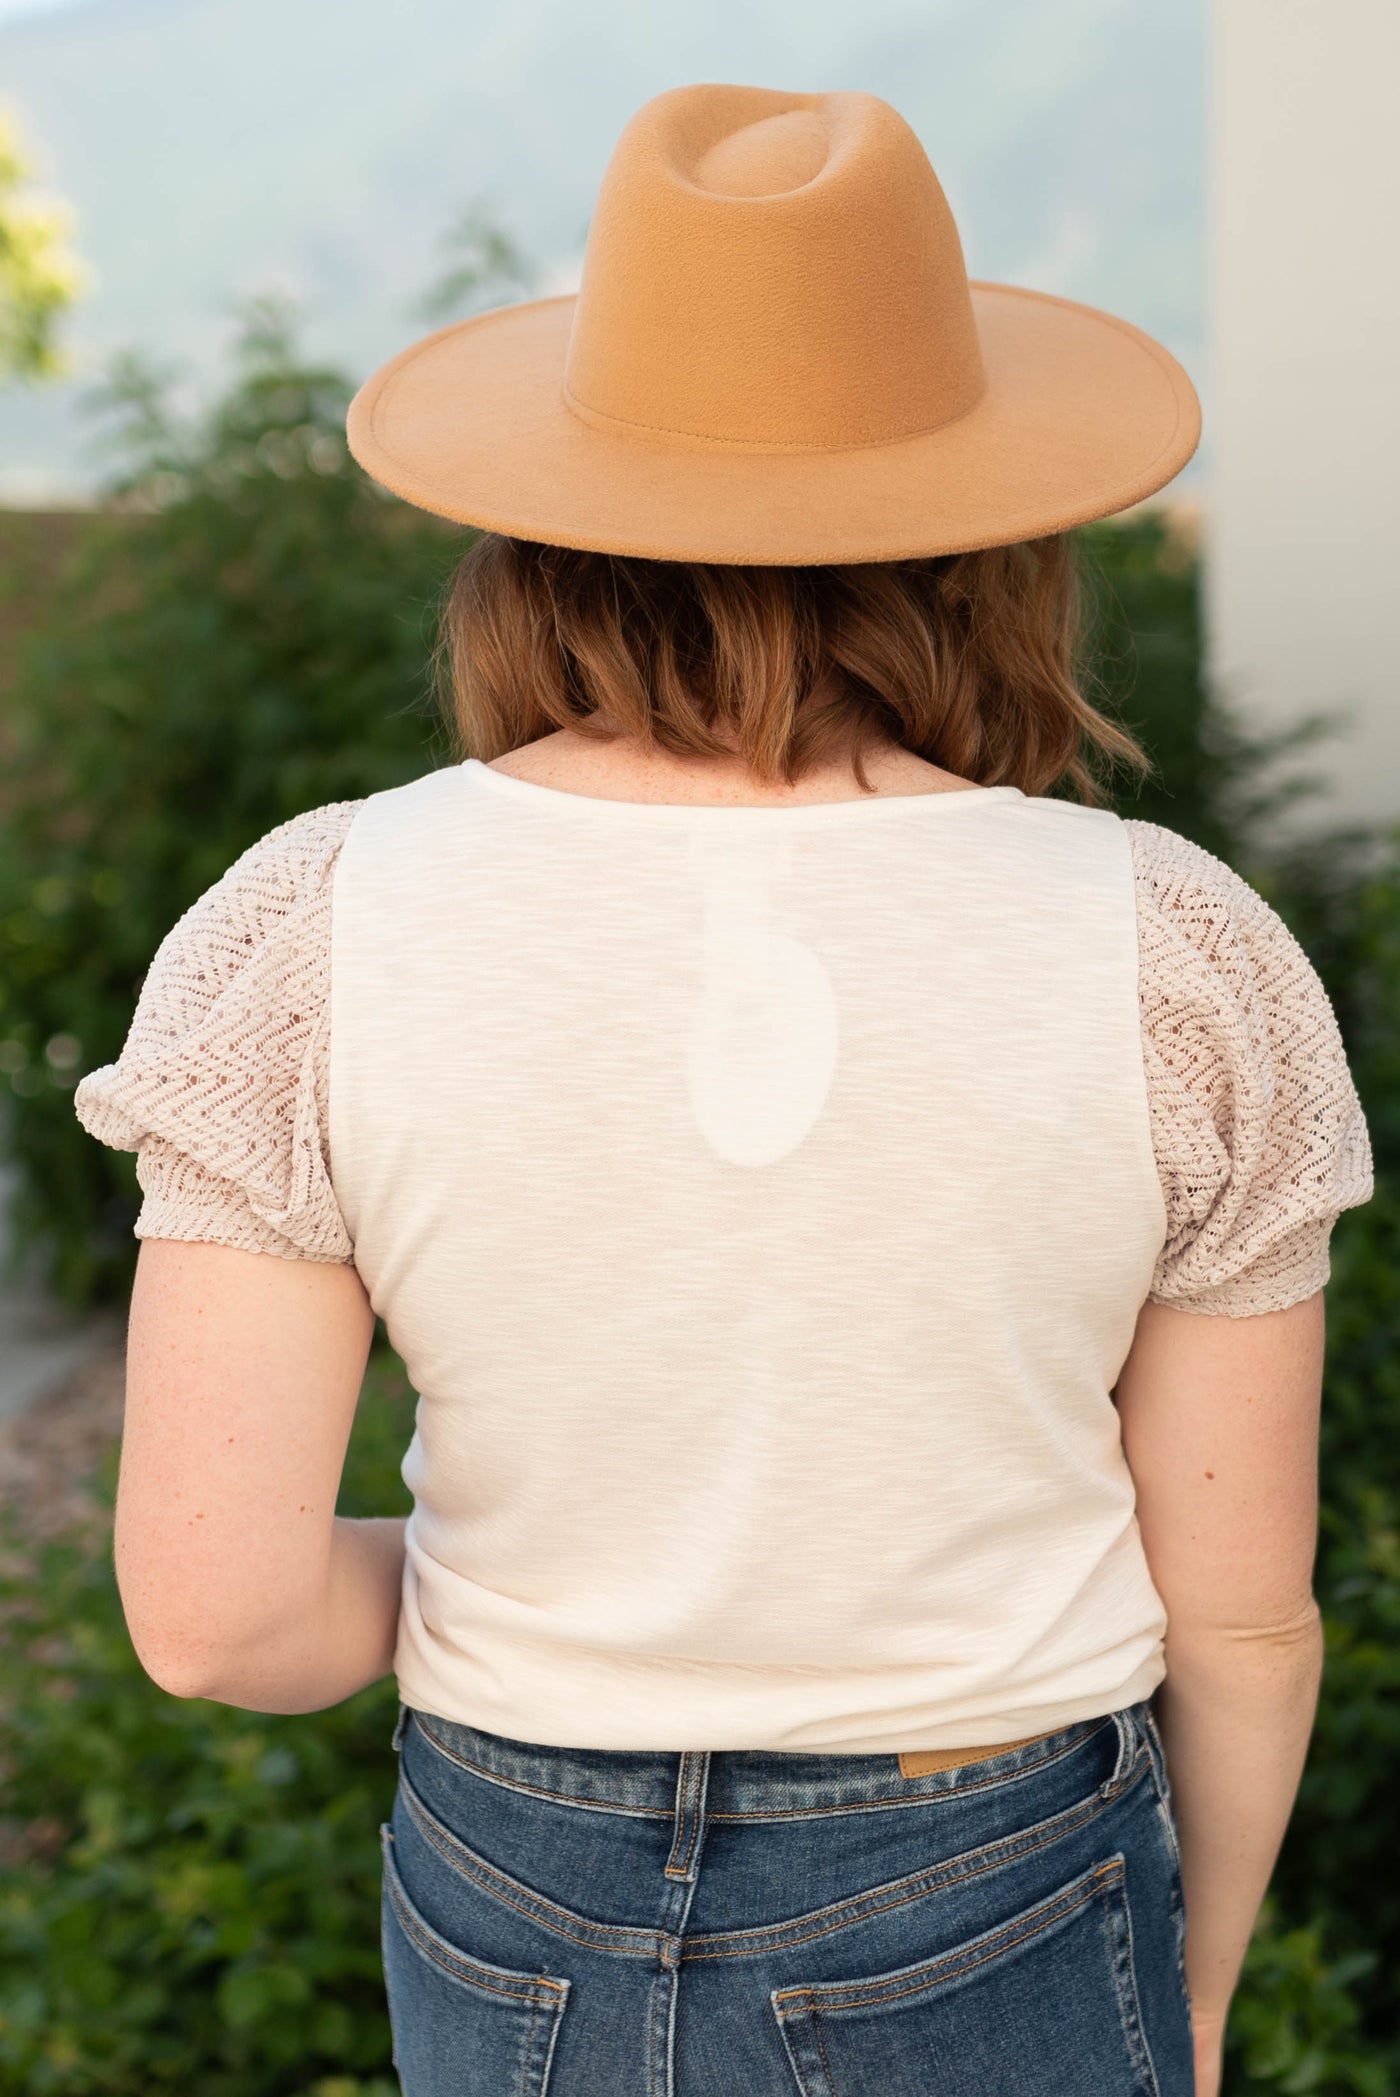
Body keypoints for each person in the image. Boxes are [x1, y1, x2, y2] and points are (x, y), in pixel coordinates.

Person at [74, 83, 1372, 2097]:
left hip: (512, 1885)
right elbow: (1246, 1611)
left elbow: (217, 1617)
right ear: (989, 539)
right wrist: (1187, 1997)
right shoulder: (1177, 955)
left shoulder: (311, 925)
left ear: (541, 528)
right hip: (1002, 1863)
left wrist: (565, 1588)